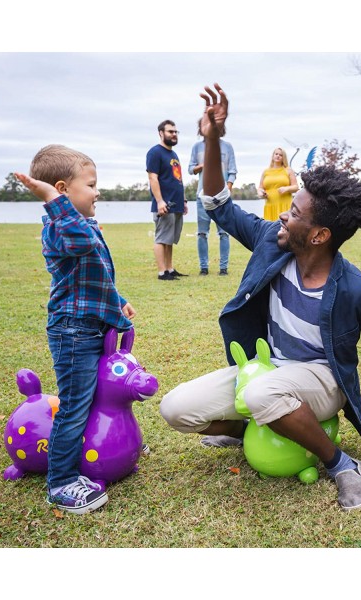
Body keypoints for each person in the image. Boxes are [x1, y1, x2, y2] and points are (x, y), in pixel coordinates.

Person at [160, 84, 361, 512]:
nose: (284, 214)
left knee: (264, 394)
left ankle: (342, 465)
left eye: (296, 213)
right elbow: (218, 204)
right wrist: (212, 140)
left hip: (321, 381)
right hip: (265, 370)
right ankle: (245, 428)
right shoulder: (273, 240)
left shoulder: (357, 289)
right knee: (176, 409)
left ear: (320, 235)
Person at [15, 144, 136, 514]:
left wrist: (116, 300)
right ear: (64, 189)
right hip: (72, 333)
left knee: (99, 393)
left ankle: (112, 442)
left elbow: (96, 272)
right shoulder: (59, 228)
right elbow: (82, 246)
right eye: (92, 184)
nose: (98, 191)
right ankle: (61, 481)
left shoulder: (80, 224)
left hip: (92, 325)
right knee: (74, 407)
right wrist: (52, 200)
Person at [189, 120, 237, 275]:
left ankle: (224, 268)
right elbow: (191, 169)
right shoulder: (196, 147)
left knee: (224, 233)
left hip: (222, 198)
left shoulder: (227, 147)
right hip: (202, 197)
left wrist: (227, 191)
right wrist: (202, 166)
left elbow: (232, 171)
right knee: (202, 233)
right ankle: (204, 268)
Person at [146, 120, 188, 281]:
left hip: (176, 203)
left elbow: (177, 178)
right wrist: (160, 201)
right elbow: (153, 178)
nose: (174, 134)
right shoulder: (155, 152)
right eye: (170, 131)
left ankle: (170, 268)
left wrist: (183, 200)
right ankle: (162, 272)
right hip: (164, 203)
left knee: (170, 239)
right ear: (161, 133)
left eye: (176, 132)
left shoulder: (173, 154)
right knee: (162, 238)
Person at [257, 147, 299, 221]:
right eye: (276, 154)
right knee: (270, 229)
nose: (278, 156)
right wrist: (261, 193)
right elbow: (260, 188)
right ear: (273, 156)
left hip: (285, 206)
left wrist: (286, 189)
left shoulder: (288, 170)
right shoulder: (266, 172)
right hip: (270, 206)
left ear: (283, 158)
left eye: (281, 155)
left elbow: (296, 187)